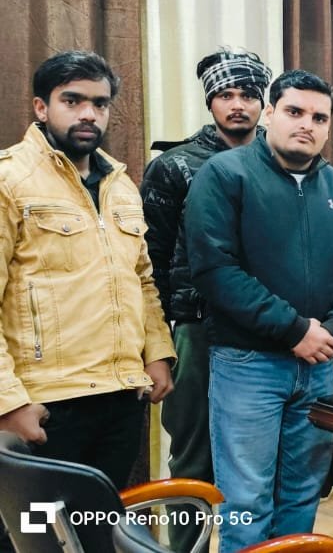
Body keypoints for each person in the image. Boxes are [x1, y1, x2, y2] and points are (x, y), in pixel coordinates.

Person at [185, 69, 333, 552]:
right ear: (269, 113)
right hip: (248, 364)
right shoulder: (225, 174)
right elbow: (215, 271)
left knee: (303, 497)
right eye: (294, 111)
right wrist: (294, 330)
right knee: (246, 503)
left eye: (318, 117)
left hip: (320, 363)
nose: (306, 124)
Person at [0, 50, 175, 489]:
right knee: (38, 524)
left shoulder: (121, 185)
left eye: (99, 103)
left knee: (98, 519)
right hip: (46, 401)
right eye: (72, 100)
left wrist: (157, 353)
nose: (88, 114)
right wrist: (8, 402)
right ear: (41, 107)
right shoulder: (10, 179)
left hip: (122, 395)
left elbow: (142, 280)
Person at [138, 49, 271, 552]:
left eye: (248, 95)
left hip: (267, 328)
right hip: (196, 326)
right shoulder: (174, 166)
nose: (237, 105)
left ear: (263, 102)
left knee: (258, 457)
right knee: (193, 456)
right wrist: (157, 342)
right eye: (225, 95)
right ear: (210, 102)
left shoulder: (282, 159)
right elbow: (149, 261)